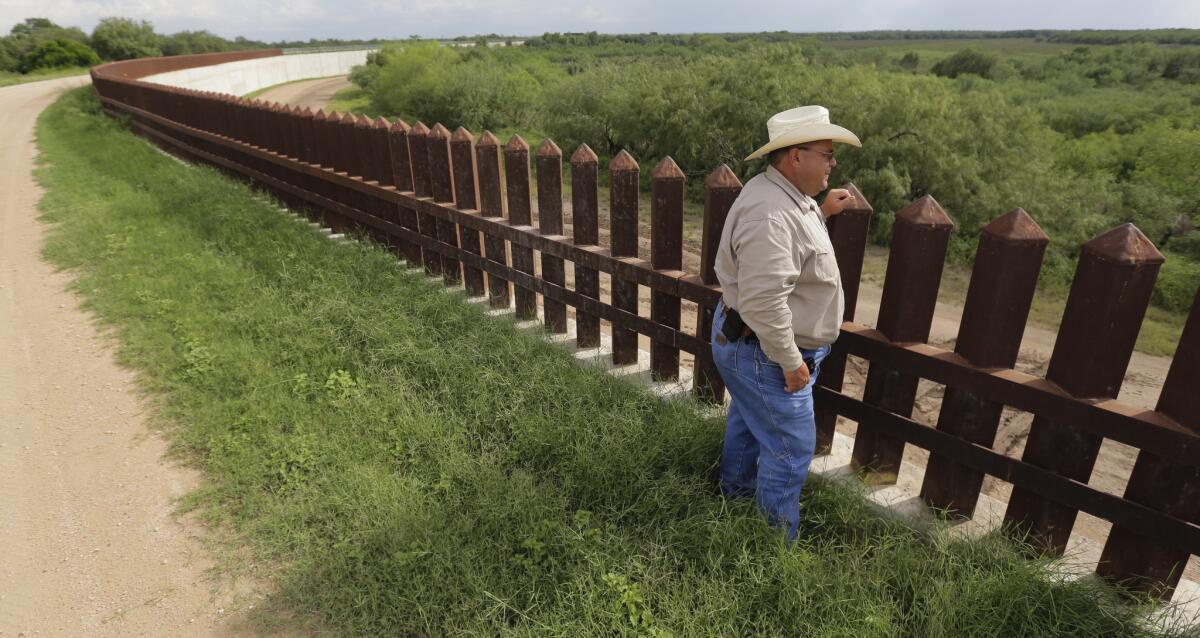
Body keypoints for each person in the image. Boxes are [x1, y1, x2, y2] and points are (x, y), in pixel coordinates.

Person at [711, 105, 860, 540]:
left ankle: (734, 497)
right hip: (767, 352)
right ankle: (774, 544)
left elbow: (788, 249)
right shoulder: (772, 214)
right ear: (796, 156)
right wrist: (793, 363)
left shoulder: (781, 195)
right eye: (827, 154)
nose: (833, 163)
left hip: (750, 346)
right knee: (790, 448)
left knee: (749, 422)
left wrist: (821, 211)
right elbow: (764, 302)